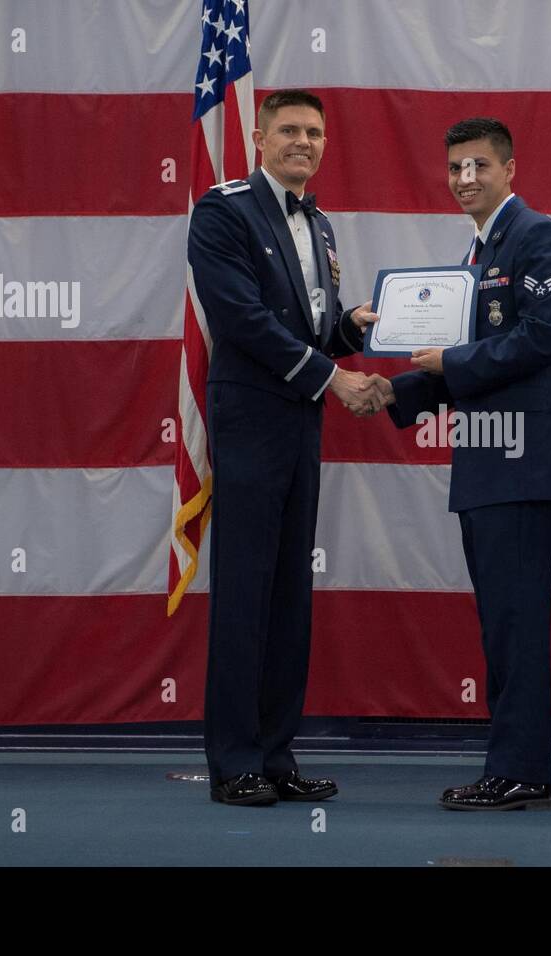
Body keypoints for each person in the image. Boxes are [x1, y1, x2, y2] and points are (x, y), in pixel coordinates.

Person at [370, 118, 551, 810]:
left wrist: (449, 362)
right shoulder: (478, 251)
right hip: (489, 465)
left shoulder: (536, 237)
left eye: (479, 166)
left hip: (521, 465)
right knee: (502, 624)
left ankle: (521, 772)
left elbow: (544, 338)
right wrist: (389, 392)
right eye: (456, 167)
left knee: (516, 626)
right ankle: (515, 765)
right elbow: (457, 360)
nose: (466, 179)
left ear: (510, 169)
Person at [187, 88, 382, 806]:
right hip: (250, 423)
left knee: (288, 595)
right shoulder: (223, 209)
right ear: (261, 138)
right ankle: (235, 760)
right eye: (290, 130)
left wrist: (354, 329)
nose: (305, 141)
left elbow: (310, 330)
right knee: (244, 593)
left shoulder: (321, 224)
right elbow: (240, 319)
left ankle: (275, 754)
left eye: (315, 132)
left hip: (301, 423)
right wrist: (333, 377)